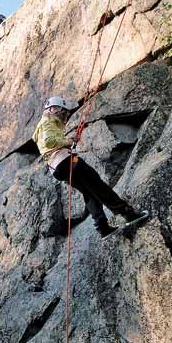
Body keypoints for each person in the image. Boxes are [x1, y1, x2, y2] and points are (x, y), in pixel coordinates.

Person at [32, 96, 148, 239]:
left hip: (57, 168)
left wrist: (66, 143)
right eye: (63, 112)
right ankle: (127, 213)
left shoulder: (43, 126)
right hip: (65, 161)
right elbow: (49, 141)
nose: (65, 115)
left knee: (89, 192)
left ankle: (103, 227)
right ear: (53, 109)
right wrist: (67, 141)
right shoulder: (47, 121)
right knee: (97, 184)